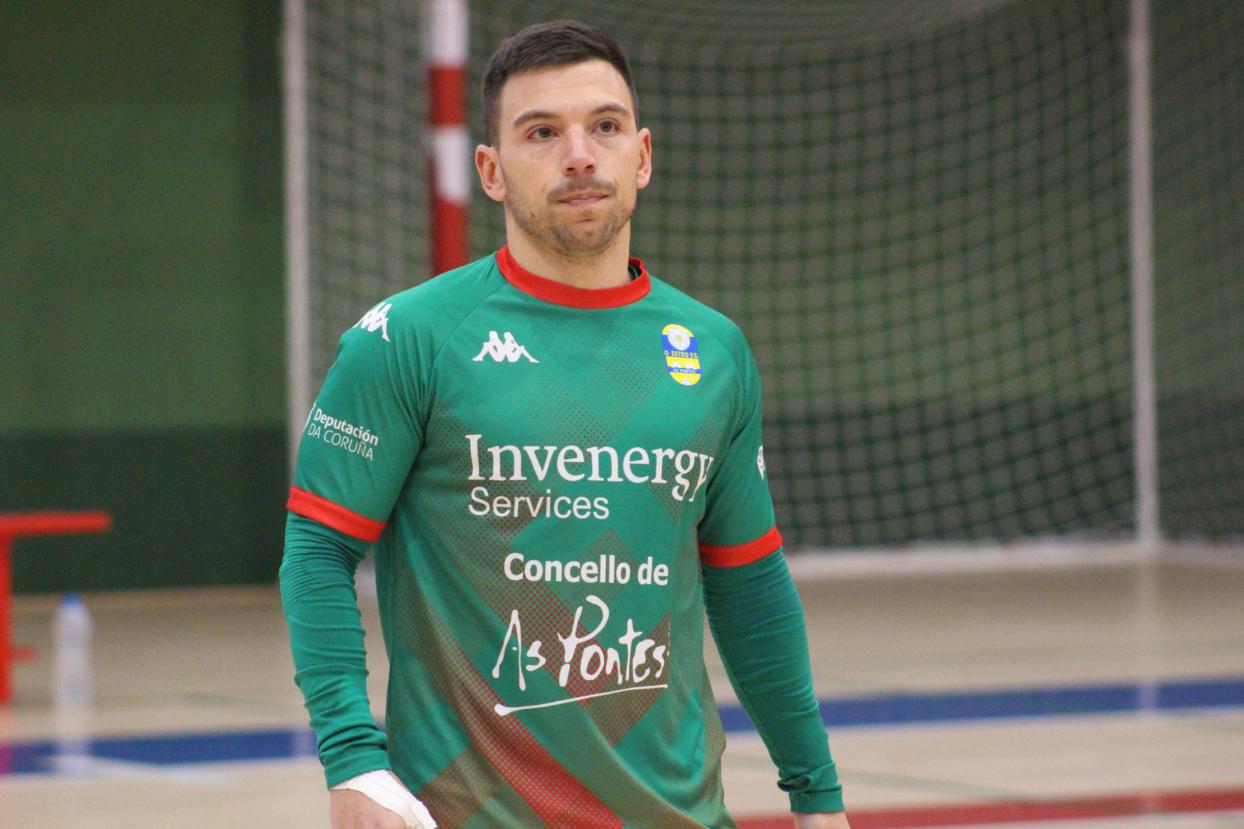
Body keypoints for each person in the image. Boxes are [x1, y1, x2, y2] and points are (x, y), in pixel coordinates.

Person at [280, 19, 850, 829]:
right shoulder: (409, 339)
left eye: (605, 127)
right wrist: (352, 757)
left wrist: (817, 794)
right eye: (542, 133)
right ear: (491, 170)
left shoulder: (713, 351)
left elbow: (749, 584)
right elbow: (317, 550)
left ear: (642, 156)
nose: (579, 155)